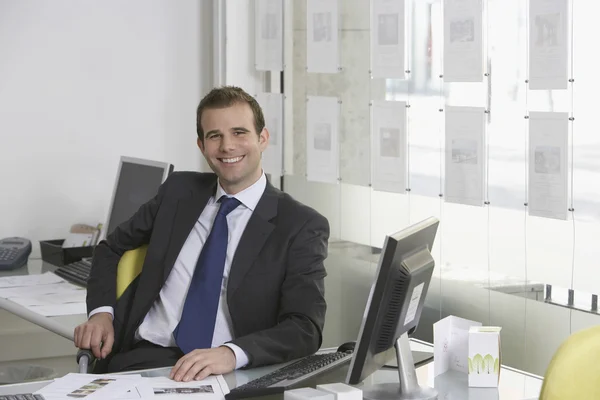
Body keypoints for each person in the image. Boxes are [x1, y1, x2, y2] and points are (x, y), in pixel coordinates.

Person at [74, 86, 329, 382]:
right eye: (214, 136)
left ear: (262, 138)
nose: (227, 147)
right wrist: (101, 313)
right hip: (144, 358)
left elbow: (305, 327)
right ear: (201, 145)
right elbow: (111, 248)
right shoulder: (178, 192)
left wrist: (232, 353)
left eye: (239, 133)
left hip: (227, 370)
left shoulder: (300, 224)